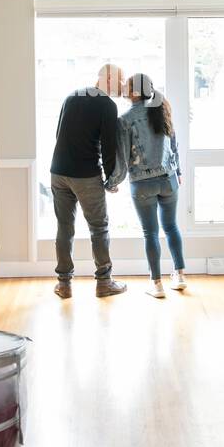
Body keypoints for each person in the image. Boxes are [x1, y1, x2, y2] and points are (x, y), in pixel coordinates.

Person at [49, 63, 129, 299]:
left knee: (64, 228)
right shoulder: (107, 105)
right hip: (85, 175)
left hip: (58, 172)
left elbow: (58, 134)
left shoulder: (71, 96)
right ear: (108, 78)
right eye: (120, 80)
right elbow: (108, 147)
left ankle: (64, 285)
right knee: (99, 227)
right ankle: (104, 282)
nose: (122, 86)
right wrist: (112, 179)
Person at [106, 72, 186, 299]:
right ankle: (180, 276)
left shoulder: (125, 120)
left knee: (150, 233)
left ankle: (157, 284)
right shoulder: (162, 110)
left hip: (142, 184)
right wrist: (178, 172)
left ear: (133, 92)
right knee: (171, 227)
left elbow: (121, 157)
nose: (123, 88)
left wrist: (113, 182)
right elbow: (174, 146)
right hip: (169, 180)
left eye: (127, 86)